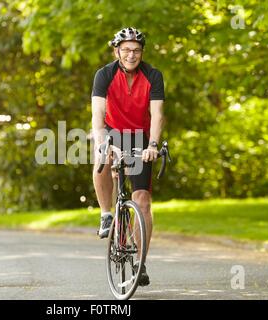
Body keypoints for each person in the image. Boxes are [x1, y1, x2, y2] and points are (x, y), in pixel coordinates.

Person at [91, 27, 165, 286]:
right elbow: (97, 116)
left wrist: (153, 144)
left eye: (136, 50)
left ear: (141, 52)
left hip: (140, 137)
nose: (131, 55)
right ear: (117, 52)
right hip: (111, 131)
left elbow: (157, 114)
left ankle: (140, 262)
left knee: (142, 200)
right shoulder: (104, 75)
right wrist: (103, 144)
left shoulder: (153, 76)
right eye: (126, 50)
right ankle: (105, 213)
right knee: (102, 157)